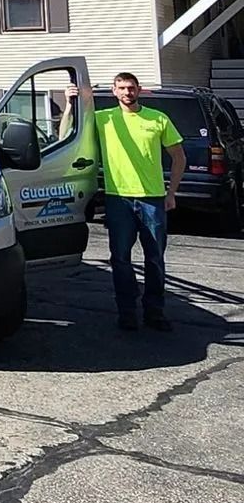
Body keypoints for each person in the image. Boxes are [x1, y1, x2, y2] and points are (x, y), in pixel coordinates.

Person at [66, 74, 186, 332]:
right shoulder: (103, 119)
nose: (127, 92)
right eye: (122, 88)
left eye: (131, 88)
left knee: (154, 259)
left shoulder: (157, 119)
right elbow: (65, 133)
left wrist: (171, 192)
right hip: (118, 198)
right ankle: (127, 313)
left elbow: (179, 156)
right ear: (114, 90)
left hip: (152, 199)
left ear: (139, 90)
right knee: (120, 258)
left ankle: (154, 312)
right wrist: (69, 104)